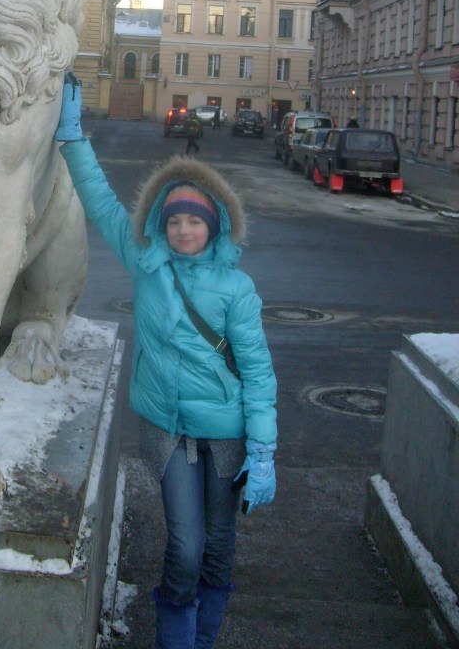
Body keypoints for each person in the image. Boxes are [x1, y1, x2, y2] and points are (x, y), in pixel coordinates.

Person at [55, 75, 277, 649]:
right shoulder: (146, 262)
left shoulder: (236, 288)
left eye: (195, 220)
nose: (183, 229)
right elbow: (102, 200)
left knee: (220, 548)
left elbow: (256, 373)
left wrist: (263, 449)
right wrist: (73, 136)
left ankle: (202, 639)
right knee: (185, 545)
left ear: (214, 225)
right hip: (170, 429)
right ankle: (175, 639)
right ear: (162, 223)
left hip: (228, 435)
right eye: (175, 219)